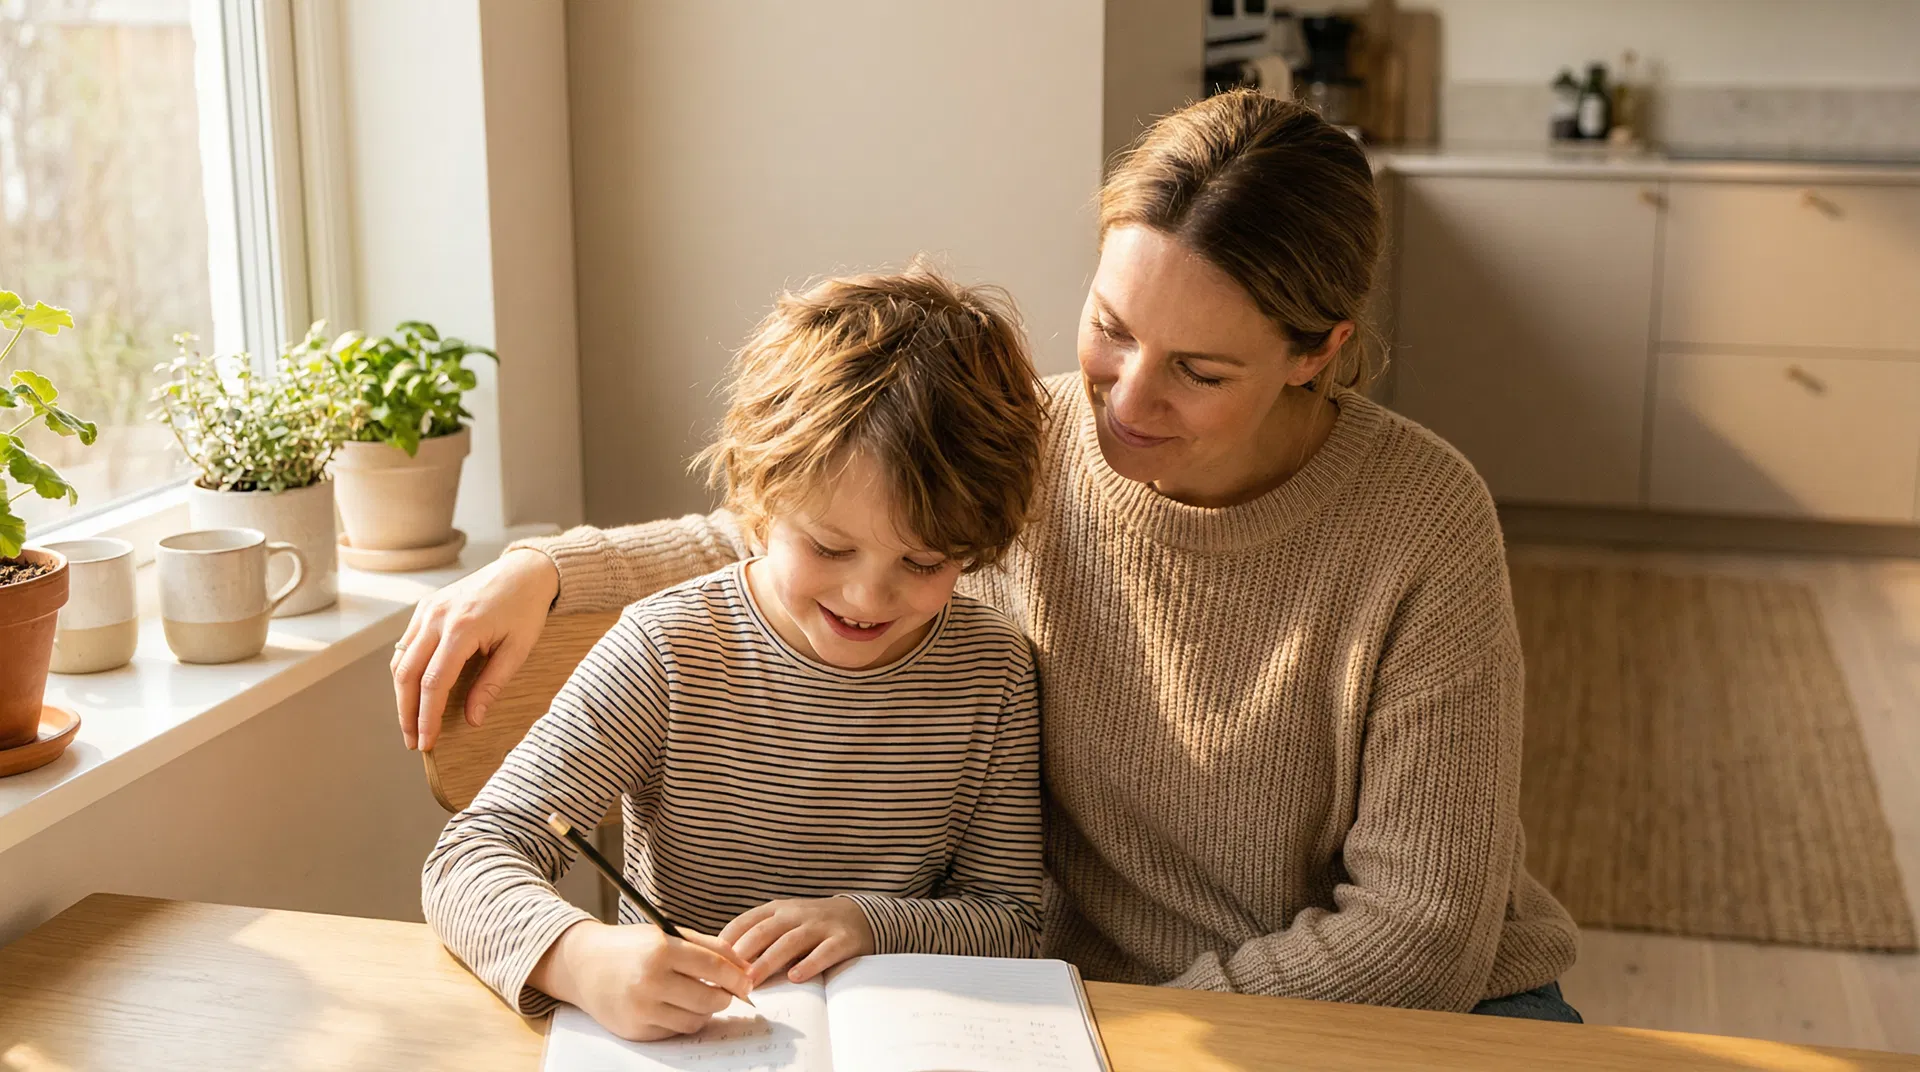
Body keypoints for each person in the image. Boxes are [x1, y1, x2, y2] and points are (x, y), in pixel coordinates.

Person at [397, 91, 1583, 1022]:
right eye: (1111, 329)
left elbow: (1421, 928)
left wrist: (1156, 1031)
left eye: (1201, 371)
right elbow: (792, 527)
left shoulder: (1422, 517)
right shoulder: (1029, 439)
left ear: (1315, 353)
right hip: (1078, 1006)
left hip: (1374, 1000)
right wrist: (546, 570)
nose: (1127, 399)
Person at [421, 267, 1048, 1041]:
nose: (867, 598)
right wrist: (580, 957)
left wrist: (871, 923)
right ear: (756, 504)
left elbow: (1012, 918)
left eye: (924, 565)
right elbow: (470, 858)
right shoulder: (669, 650)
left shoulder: (995, 671)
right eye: (828, 547)